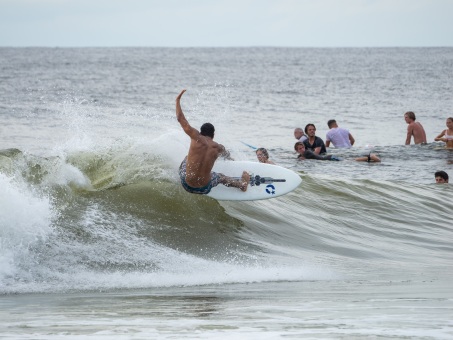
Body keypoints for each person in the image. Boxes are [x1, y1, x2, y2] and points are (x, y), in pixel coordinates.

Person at [176, 89, 250, 194]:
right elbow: (225, 153)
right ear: (213, 135)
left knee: (186, 159)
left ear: (201, 132)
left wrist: (177, 100)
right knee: (221, 177)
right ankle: (242, 185)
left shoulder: (196, 137)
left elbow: (180, 118)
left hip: (186, 185)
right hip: (204, 188)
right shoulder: (219, 148)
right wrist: (229, 158)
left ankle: (179, 178)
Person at [294, 142, 380, 162]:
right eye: (300, 149)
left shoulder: (306, 153)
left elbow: (302, 159)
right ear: (297, 150)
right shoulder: (304, 154)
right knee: (349, 159)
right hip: (329, 158)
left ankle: (370, 157)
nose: (302, 149)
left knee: (351, 161)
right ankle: (369, 156)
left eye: (303, 147)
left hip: (330, 158)